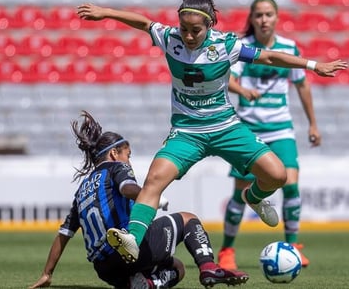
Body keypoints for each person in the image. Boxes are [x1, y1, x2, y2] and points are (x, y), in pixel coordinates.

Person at [76, 0, 346, 265]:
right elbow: (143, 22)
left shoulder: (226, 46)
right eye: (184, 29)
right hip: (186, 132)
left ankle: (253, 197)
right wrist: (105, 13)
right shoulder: (170, 38)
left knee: (278, 176)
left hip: (226, 127)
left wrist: (313, 65)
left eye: (196, 31)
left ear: (210, 25)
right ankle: (132, 240)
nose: (189, 36)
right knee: (154, 179)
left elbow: (269, 57)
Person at [28, 111, 248, 289]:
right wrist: (151, 196)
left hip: (105, 269)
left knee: (177, 268)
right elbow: (127, 189)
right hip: (130, 249)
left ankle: (145, 284)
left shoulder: (82, 190)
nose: (129, 161)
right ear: (114, 153)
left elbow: (64, 233)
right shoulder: (117, 168)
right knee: (188, 219)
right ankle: (208, 267)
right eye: (128, 155)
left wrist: (47, 273)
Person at [218, 0, 318, 270]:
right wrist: (242, 90)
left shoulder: (289, 47)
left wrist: (312, 123)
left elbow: (302, 86)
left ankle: (294, 246)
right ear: (251, 19)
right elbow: (228, 79)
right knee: (240, 193)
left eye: (268, 14)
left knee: (292, 184)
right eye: (259, 15)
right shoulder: (243, 48)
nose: (264, 20)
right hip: (248, 129)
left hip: (281, 127)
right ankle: (226, 250)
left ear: (276, 18)